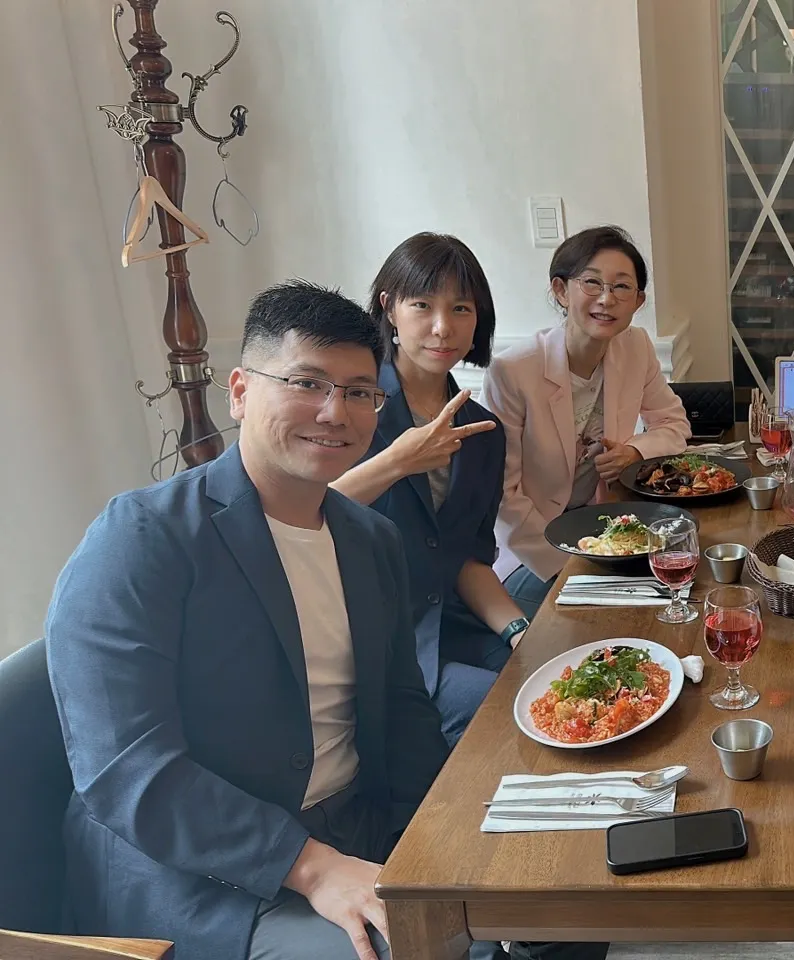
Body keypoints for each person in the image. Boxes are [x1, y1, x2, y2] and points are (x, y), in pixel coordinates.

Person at [44, 281, 449, 960]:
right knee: (399, 951)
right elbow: (128, 769)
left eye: (359, 391)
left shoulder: (370, 540)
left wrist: (441, 838)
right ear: (238, 391)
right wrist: (312, 867)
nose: (335, 412)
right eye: (306, 382)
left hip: (354, 828)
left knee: (526, 903)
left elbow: (403, 708)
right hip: (200, 873)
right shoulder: (142, 538)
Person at [330, 233, 521, 746]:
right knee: (503, 715)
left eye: (461, 308)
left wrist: (520, 631)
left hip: (453, 628)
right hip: (373, 647)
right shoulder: (345, 408)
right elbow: (297, 516)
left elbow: (467, 561)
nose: (443, 327)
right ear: (389, 308)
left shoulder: (482, 432)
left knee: (559, 679)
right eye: (422, 305)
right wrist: (397, 462)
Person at [484, 225, 690, 616]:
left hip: (604, 528)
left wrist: (634, 451)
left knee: (680, 586)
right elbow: (502, 495)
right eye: (592, 283)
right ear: (561, 290)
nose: (606, 299)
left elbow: (674, 424)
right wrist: (570, 564)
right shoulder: (513, 371)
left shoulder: (635, 347)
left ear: (638, 300)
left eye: (621, 287)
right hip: (532, 548)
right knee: (602, 620)